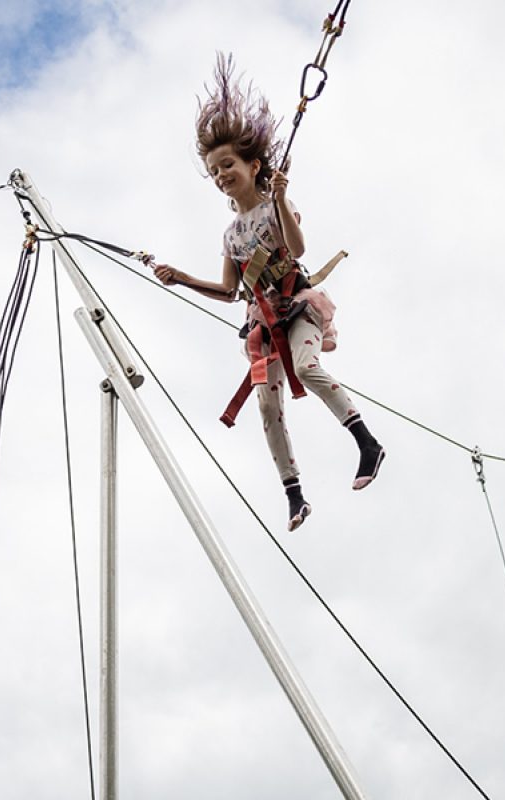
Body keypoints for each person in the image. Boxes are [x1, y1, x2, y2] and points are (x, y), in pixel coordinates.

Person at [154, 54, 384, 532]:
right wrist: (182, 278)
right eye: (214, 171)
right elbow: (226, 289)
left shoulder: (277, 204)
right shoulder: (231, 235)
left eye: (227, 165)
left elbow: (298, 247)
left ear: (252, 164)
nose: (220, 176)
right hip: (265, 322)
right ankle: (294, 493)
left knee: (306, 366)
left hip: (298, 308)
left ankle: (367, 442)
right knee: (265, 403)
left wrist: (278, 197)